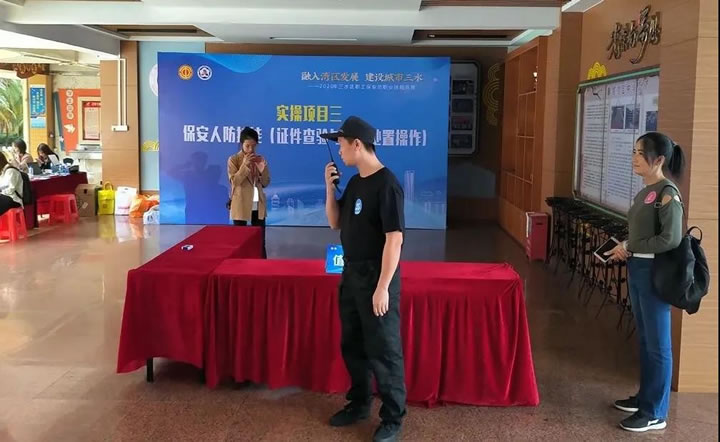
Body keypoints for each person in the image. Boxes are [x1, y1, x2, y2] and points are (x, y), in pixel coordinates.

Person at [322, 116, 406, 442]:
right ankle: (359, 403)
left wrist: (383, 287)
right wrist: (330, 189)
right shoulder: (356, 183)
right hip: (352, 274)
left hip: (377, 276)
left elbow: (394, 239)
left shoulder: (387, 184)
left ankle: (393, 418)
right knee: (353, 345)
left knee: (383, 349)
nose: (340, 150)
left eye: (341, 144)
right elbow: (335, 222)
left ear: (357, 144)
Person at [605, 132, 685, 433]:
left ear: (659, 159)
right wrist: (626, 246)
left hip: (655, 272)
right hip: (637, 267)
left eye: (641, 153)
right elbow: (641, 232)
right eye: (634, 152)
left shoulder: (668, 193)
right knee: (645, 339)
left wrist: (631, 246)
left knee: (659, 344)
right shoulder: (646, 191)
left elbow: (670, 239)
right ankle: (645, 398)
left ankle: (655, 412)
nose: (635, 158)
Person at [227, 127, 270, 257]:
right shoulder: (234, 159)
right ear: (241, 144)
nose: (251, 149)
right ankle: (240, 266)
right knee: (240, 242)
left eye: (254, 146)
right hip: (241, 204)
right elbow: (235, 181)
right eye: (247, 146)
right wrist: (245, 165)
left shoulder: (260, 159)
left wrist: (262, 171)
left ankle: (261, 266)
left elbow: (266, 183)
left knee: (260, 242)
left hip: (258, 204)